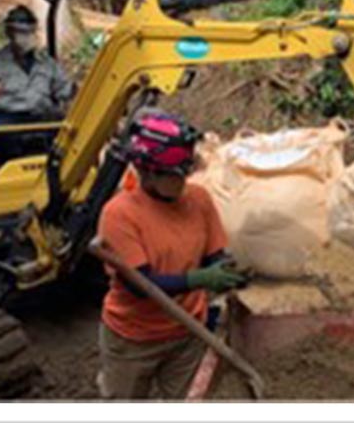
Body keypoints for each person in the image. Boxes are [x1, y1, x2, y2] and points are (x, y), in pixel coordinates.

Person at [96, 110, 247, 400]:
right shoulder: (119, 215)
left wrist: (223, 270)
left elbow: (213, 251)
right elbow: (139, 285)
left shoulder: (199, 199)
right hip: (133, 339)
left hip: (187, 334)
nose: (183, 180)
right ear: (147, 172)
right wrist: (200, 279)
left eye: (186, 172)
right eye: (175, 174)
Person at [0, 5, 74, 158]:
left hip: (42, 117)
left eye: (28, 32)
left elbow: (66, 90)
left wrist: (75, 92)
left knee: (68, 129)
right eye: (20, 32)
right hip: (9, 116)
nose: (25, 37)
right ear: (9, 33)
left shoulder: (48, 64)